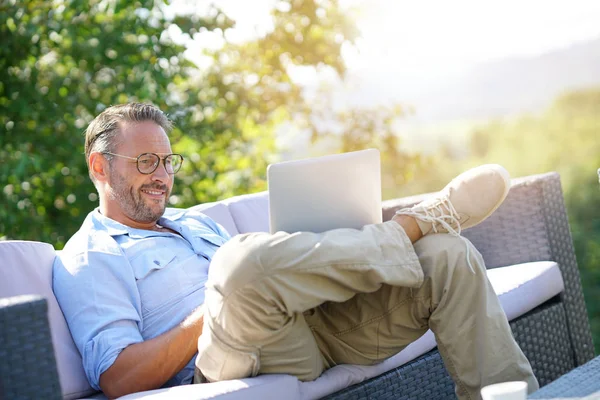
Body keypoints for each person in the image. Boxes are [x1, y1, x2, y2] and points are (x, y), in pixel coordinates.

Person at [53, 103, 539, 400]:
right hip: (222, 364)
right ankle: (408, 226)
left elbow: (262, 279)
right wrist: (215, 310)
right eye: (145, 162)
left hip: (313, 330)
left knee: (445, 256)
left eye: (167, 161)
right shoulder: (89, 256)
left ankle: (419, 232)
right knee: (238, 263)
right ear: (100, 165)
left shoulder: (193, 222)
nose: (161, 175)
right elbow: (118, 378)